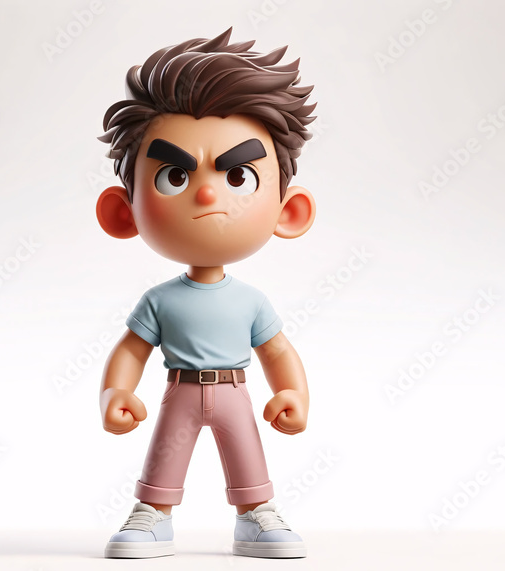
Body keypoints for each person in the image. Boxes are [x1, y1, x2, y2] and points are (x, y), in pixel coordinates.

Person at [94, 27, 317, 559]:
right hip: (180, 389)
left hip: (236, 390)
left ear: (288, 211)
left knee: (247, 454)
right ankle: (153, 514)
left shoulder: (251, 301)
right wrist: (115, 392)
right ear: (124, 212)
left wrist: (294, 393)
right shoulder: (160, 300)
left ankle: (256, 513)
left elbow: (277, 352)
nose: (208, 193)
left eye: (238, 176)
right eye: (174, 175)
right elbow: (132, 350)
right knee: (164, 455)